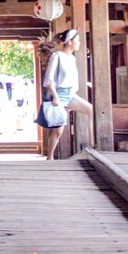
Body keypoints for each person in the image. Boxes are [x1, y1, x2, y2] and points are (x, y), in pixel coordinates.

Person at [39, 29, 94, 159]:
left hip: (70, 94)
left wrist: (71, 102)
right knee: (58, 131)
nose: (80, 43)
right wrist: (56, 97)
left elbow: (72, 80)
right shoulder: (56, 56)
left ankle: (93, 145)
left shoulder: (72, 58)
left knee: (91, 110)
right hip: (58, 95)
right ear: (69, 42)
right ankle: (50, 157)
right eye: (78, 40)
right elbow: (49, 78)